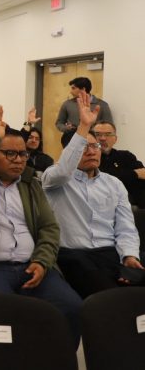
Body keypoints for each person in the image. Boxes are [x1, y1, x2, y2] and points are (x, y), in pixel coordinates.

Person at [0, 105, 82, 342]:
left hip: (33, 264)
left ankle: (55, 358)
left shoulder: (30, 184)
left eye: (22, 154)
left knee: (71, 307)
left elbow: (49, 227)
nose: (18, 160)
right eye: (10, 153)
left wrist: (42, 261)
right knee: (2, 318)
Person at [42, 93, 143, 298]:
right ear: (69, 151)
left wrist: (129, 255)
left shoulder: (113, 184)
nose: (92, 152)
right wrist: (84, 126)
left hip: (111, 252)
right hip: (74, 255)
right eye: (84, 147)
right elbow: (64, 170)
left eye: (95, 146)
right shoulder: (54, 179)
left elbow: (125, 227)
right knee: (111, 297)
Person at [93, 120, 145, 207]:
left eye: (108, 134)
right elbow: (101, 181)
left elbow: (143, 175)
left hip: (135, 205)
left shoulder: (126, 156)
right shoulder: (89, 158)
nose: (103, 138)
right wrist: (135, 174)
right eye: (98, 134)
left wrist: (122, 176)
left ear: (115, 139)